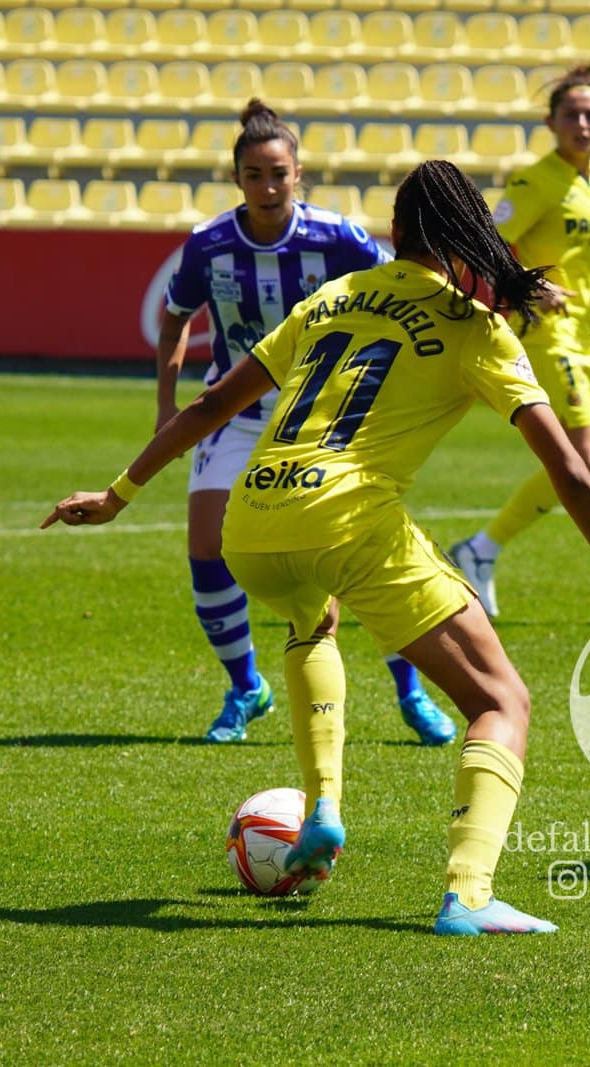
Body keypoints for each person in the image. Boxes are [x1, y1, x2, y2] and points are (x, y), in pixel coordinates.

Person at [47, 161, 590, 935]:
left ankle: (323, 807)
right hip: (347, 517)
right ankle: (468, 894)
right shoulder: (474, 327)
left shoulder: (332, 297)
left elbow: (211, 402)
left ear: (395, 232)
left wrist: (118, 493)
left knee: (310, 620)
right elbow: (566, 463)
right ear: (468, 234)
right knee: (501, 701)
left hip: (253, 520)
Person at [158, 98, 455, 744]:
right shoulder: (208, 245)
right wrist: (165, 407)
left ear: (299, 176)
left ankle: (410, 690)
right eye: (255, 175)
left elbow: (404, 287)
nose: (267, 186)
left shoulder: (338, 239)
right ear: (237, 178)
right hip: (235, 413)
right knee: (206, 545)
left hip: (320, 417)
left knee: (345, 551)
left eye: (279, 174)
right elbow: (176, 314)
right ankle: (245, 688)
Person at [448, 64, 590, 632]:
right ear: (551, 122)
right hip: (546, 333)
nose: (584, 123)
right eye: (573, 115)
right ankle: (482, 548)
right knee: (583, 461)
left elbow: (589, 256)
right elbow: (487, 246)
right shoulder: (534, 182)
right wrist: (531, 281)